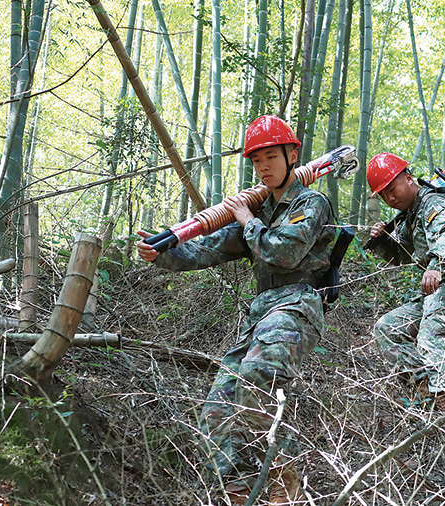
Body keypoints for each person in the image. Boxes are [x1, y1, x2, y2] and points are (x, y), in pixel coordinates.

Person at [137, 115, 335, 505]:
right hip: (263, 310)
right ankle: (241, 490)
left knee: (255, 379)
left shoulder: (311, 202)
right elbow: (208, 249)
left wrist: (246, 219)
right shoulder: (259, 212)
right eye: (256, 161)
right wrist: (162, 251)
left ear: (292, 154)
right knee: (216, 408)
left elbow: (283, 251)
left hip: (297, 303)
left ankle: (285, 482)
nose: (263, 168)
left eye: (270, 158)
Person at [366, 152, 445, 413]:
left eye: (392, 189)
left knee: (433, 331)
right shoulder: (408, 217)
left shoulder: (433, 202)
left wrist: (435, 267)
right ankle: (426, 388)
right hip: (438, 288)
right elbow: (403, 257)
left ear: (408, 178)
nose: (390, 198)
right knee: (387, 328)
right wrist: (383, 241)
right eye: (384, 195)